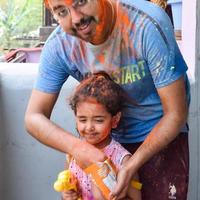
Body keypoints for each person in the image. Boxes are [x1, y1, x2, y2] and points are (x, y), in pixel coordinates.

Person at [24, 0, 190, 199]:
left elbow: (176, 113)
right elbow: (33, 117)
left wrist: (131, 165)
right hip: (104, 141)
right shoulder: (59, 45)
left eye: (80, 1)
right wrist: (79, 148)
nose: (76, 18)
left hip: (159, 138)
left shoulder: (146, 24)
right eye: (61, 11)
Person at [62, 72, 141, 200]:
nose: (89, 127)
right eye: (82, 120)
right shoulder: (73, 153)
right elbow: (69, 185)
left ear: (115, 120)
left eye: (98, 120)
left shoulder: (123, 160)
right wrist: (67, 195)